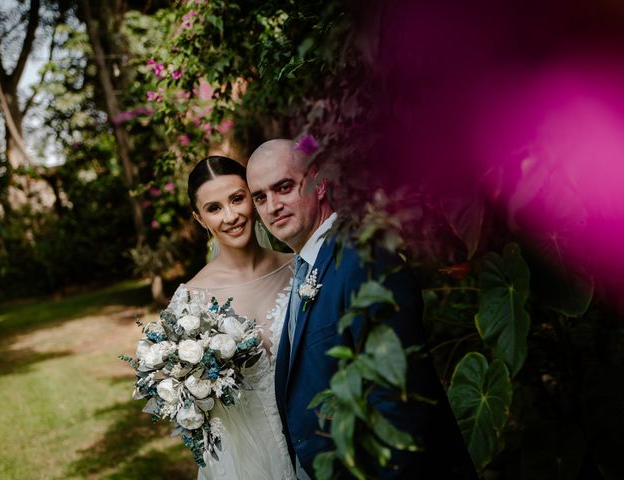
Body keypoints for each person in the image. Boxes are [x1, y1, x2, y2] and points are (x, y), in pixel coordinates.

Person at [246, 139, 477, 479]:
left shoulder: (363, 260)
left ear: (320, 182)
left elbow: (398, 404)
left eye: (283, 188)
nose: (272, 206)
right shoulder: (306, 267)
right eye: (260, 197)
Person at [167, 155, 296, 479]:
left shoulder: (301, 268)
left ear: (253, 197)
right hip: (243, 462)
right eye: (214, 208)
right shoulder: (189, 302)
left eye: (237, 199)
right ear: (200, 219)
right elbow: (188, 405)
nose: (231, 216)